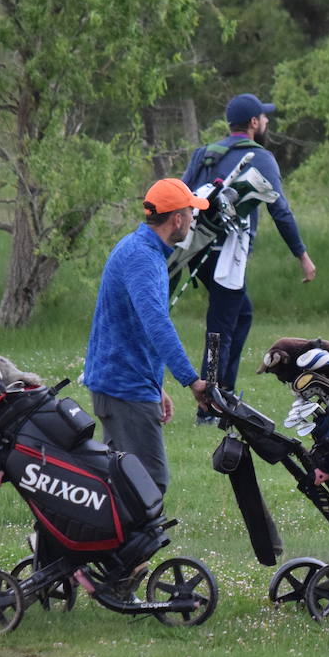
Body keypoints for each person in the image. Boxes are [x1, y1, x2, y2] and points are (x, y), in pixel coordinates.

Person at [181, 93, 316, 422]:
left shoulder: (206, 154)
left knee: (241, 316)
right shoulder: (261, 157)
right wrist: (302, 255)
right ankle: (211, 407)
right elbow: (280, 211)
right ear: (254, 122)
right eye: (264, 118)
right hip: (227, 257)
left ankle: (223, 390)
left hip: (195, 250)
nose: (267, 122)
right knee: (220, 328)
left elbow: (182, 195)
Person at [81, 178, 211, 495]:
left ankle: (105, 544)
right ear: (177, 219)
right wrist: (192, 380)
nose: (193, 220)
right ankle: (123, 544)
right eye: (191, 213)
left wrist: (156, 385)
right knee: (149, 483)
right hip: (124, 389)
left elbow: (136, 327)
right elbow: (156, 324)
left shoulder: (138, 248)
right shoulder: (143, 258)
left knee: (116, 481)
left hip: (122, 384)